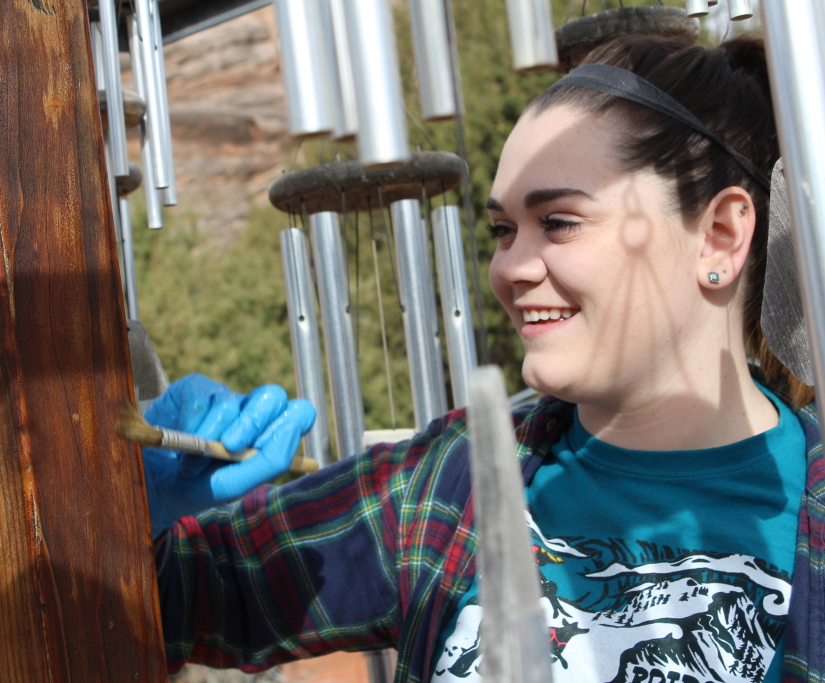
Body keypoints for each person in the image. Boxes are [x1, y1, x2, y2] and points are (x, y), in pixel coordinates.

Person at [142, 34, 824, 682]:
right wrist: (134, 506)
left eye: (557, 221)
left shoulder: (810, 514)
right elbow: (167, 600)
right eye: (503, 229)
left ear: (719, 234)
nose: (511, 268)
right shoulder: (447, 480)